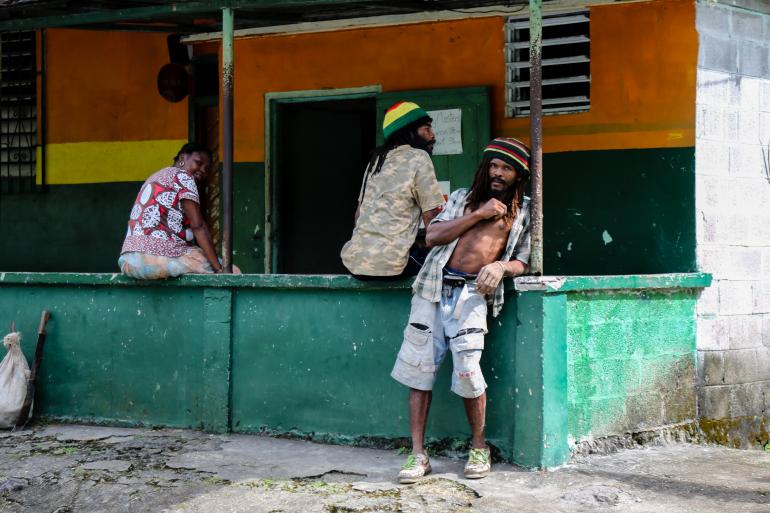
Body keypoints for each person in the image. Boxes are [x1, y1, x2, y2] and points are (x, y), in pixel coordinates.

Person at [391, 137, 532, 484]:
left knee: (469, 370)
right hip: (432, 290)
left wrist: (501, 269)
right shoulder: (461, 198)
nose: (498, 173)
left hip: (471, 295)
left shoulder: (526, 210)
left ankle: (479, 447)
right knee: (419, 371)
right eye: (494, 165)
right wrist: (480, 214)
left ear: (518, 175)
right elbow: (433, 235)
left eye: (507, 168)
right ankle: (419, 454)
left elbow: (527, 261)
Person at [340, 101, 445, 280]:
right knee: (450, 264)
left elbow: (359, 215)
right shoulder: (419, 157)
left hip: (355, 264)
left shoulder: (376, 160)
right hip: (392, 267)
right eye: (426, 129)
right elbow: (432, 219)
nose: (432, 135)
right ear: (408, 131)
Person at [118, 142, 227, 279]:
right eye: (198, 163)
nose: (202, 171)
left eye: (206, 169)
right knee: (231, 270)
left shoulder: (154, 177)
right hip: (155, 259)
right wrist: (219, 269)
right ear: (182, 158)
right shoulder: (183, 176)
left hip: (129, 260)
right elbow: (198, 226)